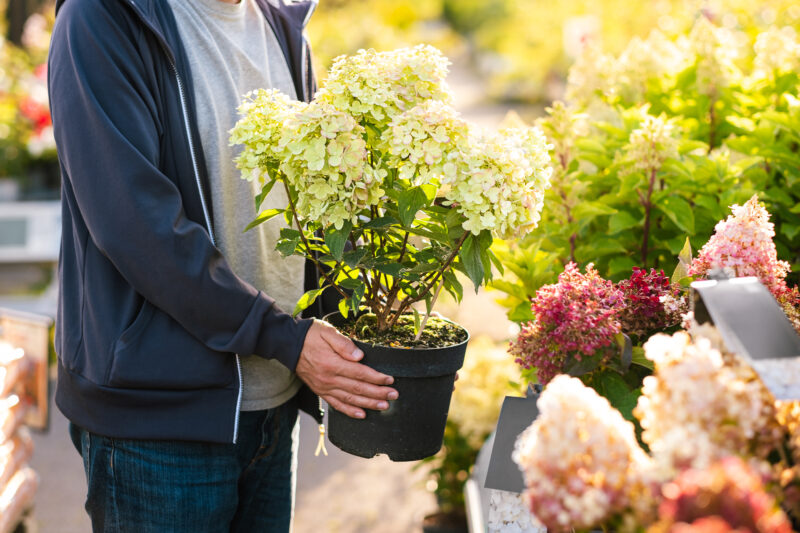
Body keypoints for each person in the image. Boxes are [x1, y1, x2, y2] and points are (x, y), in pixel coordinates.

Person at [47, 0, 399, 530]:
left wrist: (373, 321)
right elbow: (137, 226)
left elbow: (314, 201)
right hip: (159, 427)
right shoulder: (105, 16)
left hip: (273, 404)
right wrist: (284, 337)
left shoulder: (282, 27)